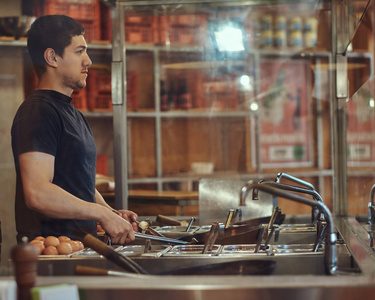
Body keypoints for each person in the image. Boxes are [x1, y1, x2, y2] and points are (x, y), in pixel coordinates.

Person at [11, 15, 137, 245]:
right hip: (53, 253)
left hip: (81, 247)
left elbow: (79, 184)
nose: (88, 61)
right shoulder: (38, 111)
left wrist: (110, 212)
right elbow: (37, 193)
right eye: (79, 51)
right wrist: (100, 214)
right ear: (52, 57)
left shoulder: (72, 112)